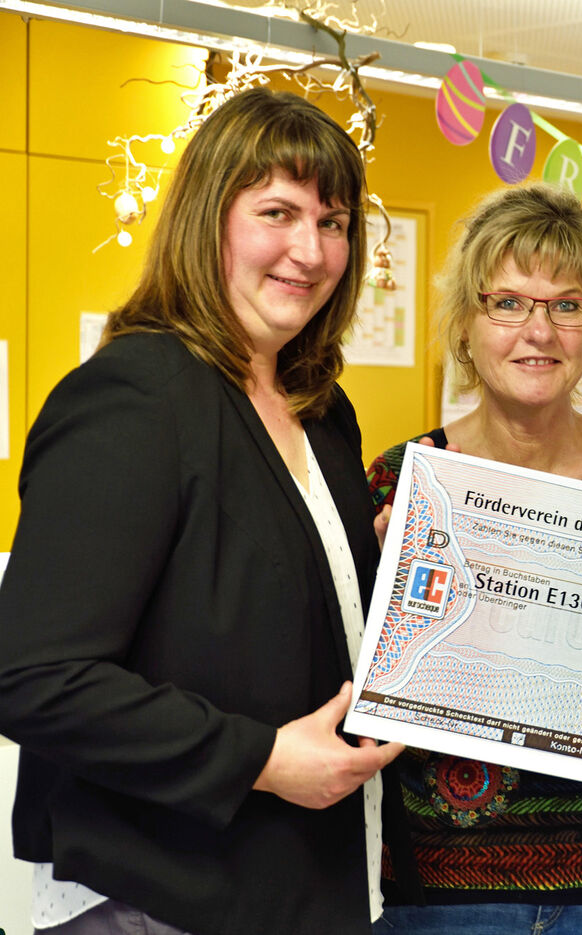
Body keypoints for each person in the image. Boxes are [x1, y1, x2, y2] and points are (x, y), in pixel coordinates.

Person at [0, 88, 402, 935]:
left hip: (305, 884)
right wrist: (260, 759)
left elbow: (253, 596)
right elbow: (36, 677)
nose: (310, 249)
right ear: (205, 219)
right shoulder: (135, 395)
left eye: (334, 223)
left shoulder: (320, 409)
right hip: (156, 897)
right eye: (277, 212)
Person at [364, 182, 582, 934]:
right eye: (507, 302)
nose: (537, 330)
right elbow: (351, 689)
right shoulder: (400, 483)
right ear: (466, 326)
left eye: (565, 305)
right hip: (444, 895)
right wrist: (397, 603)